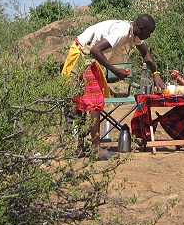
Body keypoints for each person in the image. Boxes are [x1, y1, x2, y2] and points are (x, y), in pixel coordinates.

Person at [62, 14, 166, 160]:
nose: (150, 35)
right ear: (141, 29)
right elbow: (95, 50)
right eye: (149, 32)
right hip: (82, 54)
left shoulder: (133, 33)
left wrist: (156, 73)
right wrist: (115, 70)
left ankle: (82, 147)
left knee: (83, 102)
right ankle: (96, 148)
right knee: (94, 101)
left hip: (87, 55)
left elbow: (145, 52)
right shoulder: (122, 32)